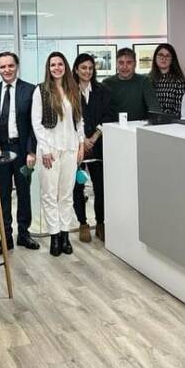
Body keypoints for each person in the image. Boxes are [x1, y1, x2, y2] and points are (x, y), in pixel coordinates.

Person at [31, 52, 84, 257]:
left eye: (60, 64)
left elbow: (79, 120)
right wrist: (44, 149)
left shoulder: (73, 89)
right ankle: (54, 235)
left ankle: (65, 234)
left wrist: (81, 144)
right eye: (52, 65)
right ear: (48, 68)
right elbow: (36, 123)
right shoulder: (41, 90)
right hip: (49, 149)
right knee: (49, 194)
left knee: (66, 194)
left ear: (65, 66)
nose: (56, 68)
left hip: (70, 148)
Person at [0, 51, 39, 255]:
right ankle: (5, 237)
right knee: (2, 194)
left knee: (24, 192)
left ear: (17, 66)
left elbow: (35, 124)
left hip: (21, 149)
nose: (7, 70)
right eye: (3, 66)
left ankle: (24, 233)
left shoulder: (31, 90)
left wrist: (31, 150)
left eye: (10, 65)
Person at [72, 53, 112, 243]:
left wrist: (94, 137)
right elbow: (69, 119)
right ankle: (83, 223)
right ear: (76, 69)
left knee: (100, 187)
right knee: (77, 187)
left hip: (98, 145)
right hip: (77, 146)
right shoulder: (69, 91)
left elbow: (108, 115)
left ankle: (101, 223)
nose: (87, 71)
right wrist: (82, 141)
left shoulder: (103, 90)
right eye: (83, 68)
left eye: (90, 68)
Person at [102, 47, 159, 121]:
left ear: (135, 64)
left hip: (139, 126)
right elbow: (102, 112)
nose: (125, 67)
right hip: (114, 126)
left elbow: (155, 109)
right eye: (121, 63)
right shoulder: (107, 83)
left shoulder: (144, 81)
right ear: (116, 64)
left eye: (129, 62)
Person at [148, 43, 185, 116]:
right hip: (150, 121)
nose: (164, 58)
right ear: (155, 58)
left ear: (172, 59)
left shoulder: (179, 81)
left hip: (171, 122)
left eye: (168, 56)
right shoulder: (148, 80)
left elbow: (180, 110)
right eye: (160, 55)